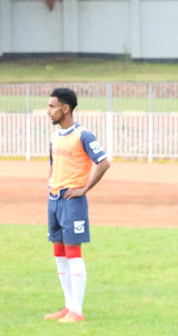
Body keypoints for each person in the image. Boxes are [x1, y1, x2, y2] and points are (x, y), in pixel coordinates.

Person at [43, 88, 111, 323]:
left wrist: (84, 189)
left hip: (73, 202)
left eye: (52, 106)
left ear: (65, 109)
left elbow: (103, 163)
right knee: (59, 253)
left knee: (73, 253)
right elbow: (53, 164)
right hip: (55, 199)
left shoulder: (83, 135)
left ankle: (77, 310)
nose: (48, 111)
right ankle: (68, 306)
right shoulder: (56, 136)